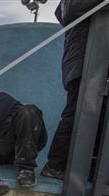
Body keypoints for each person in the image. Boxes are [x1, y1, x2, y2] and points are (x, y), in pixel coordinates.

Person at [42, 0, 104, 180]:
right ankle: (55, 165)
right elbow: (69, 10)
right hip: (85, 64)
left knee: (99, 117)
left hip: (94, 65)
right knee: (77, 113)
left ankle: (92, 167)